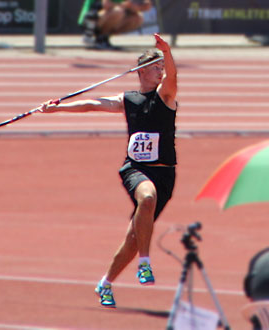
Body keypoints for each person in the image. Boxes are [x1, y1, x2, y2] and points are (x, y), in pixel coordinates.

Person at [39, 33, 177, 308]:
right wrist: (58, 108)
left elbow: (173, 75)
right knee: (146, 198)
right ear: (140, 71)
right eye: (155, 67)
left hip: (165, 174)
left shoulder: (166, 95)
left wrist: (167, 52)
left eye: (162, 67)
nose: (161, 71)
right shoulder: (129, 100)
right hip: (136, 169)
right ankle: (145, 264)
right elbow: (92, 104)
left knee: (133, 238)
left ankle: (105, 283)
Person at [78, 0, 153, 50]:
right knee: (118, 12)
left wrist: (141, 6)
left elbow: (140, 5)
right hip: (90, 20)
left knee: (138, 18)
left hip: (106, 17)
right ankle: (100, 39)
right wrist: (126, 5)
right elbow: (106, 4)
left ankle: (106, 38)